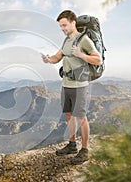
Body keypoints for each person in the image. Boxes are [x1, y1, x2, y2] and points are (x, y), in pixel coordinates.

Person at [42, 10, 102, 164]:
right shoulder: (67, 41)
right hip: (66, 84)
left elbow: (98, 60)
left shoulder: (84, 40)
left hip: (80, 86)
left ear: (73, 23)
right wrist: (48, 59)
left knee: (81, 117)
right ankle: (72, 145)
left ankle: (85, 150)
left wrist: (82, 55)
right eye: (61, 26)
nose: (62, 29)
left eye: (64, 25)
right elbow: (57, 57)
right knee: (69, 115)